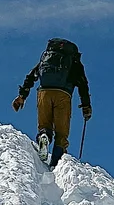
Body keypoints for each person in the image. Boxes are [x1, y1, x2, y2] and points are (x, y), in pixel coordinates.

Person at [12, 37, 91, 168]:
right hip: (63, 95)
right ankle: (55, 164)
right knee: (61, 133)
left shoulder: (46, 58)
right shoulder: (75, 62)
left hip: (44, 92)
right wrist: (86, 107)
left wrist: (22, 96)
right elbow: (83, 85)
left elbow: (31, 76)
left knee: (44, 125)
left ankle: (44, 136)